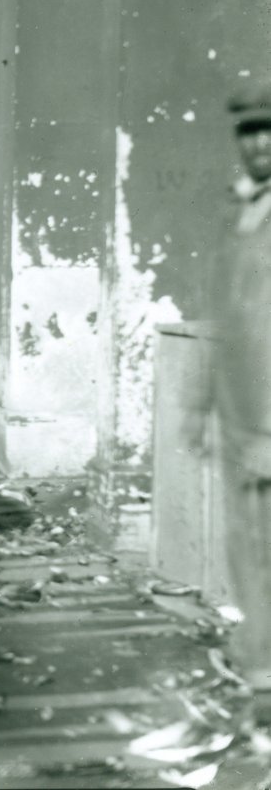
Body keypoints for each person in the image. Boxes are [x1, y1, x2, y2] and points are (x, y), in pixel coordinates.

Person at [214, 79, 271, 691]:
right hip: (238, 415)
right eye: (248, 133)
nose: (258, 144)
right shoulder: (241, 210)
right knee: (246, 544)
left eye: (268, 131)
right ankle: (258, 664)